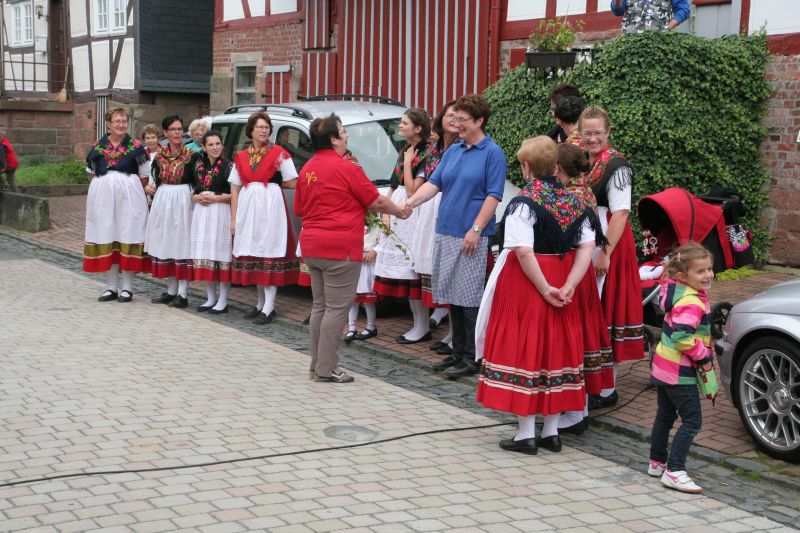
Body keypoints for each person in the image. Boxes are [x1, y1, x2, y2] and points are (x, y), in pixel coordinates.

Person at [475, 136, 603, 454]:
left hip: (530, 282)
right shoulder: (575, 202)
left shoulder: (524, 202)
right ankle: (551, 431)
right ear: (556, 166)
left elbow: (523, 251)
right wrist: (570, 283)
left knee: (526, 348)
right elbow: (588, 246)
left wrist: (545, 288)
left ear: (526, 166)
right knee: (557, 350)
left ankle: (526, 434)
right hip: (564, 277)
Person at [296, 113, 410, 383]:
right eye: (343, 131)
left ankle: (317, 365)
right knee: (336, 309)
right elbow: (375, 201)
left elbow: (299, 208)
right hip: (340, 247)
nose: (346, 135)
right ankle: (326, 369)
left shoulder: (307, 168)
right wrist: (399, 211)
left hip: (312, 245)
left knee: (320, 307)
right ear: (334, 139)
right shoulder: (347, 168)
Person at [405, 94, 507, 380]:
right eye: (455, 118)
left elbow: (494, 196)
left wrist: (476, 229)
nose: (457, 124)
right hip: (446, 231)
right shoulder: (454, 150)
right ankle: (457, 351)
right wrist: (409, 204)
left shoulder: (492, 153)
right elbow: (434, 183)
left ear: (479, 121)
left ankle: (471, 357)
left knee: (469, 297)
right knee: (452, 295)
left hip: (470, 235)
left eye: (463, 120)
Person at [580, 106, 645, 408]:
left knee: (608, 310)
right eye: (587, 133)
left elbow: (620, 214)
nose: (592, 138)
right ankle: (592, 380)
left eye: (598, 133)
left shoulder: (617, 166)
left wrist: (605, 253)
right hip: (589, 239)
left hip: (610, 243)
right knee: (592, 309)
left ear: (608, 132)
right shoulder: (583, 160)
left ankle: (607, 389)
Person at [554, 143, 614, 434]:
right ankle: (577, 408)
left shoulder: (572, 195)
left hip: (575, 271)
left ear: (558, 168)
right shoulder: (583, 189)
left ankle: (578, 411)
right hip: (582, 271)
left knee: (574, 337)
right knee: (580, 335)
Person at [648, 242, 715, 493]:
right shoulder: (692, 302)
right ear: (681, 276)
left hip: (663, 366)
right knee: (692, 421)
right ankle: (674, 470)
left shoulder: (675, 293)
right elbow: (682, 337)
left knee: (665, 415)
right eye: (700, 271)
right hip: (680, 372)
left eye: (709, 269)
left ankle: (657, 462)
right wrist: (704, 356)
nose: (708, 275)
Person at [229, 111, 299, 324]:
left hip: (270, 208)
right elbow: (235, 188)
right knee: (255, 254)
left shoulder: (279, 153)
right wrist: (234, 219)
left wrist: (275, 184)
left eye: (267, 127)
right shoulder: (241, 156)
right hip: (249, 211)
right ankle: (260, 304)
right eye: (259, 126)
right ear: (251, 130)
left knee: (268, 252)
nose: (263, 130)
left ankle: (269, 307)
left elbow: (293, 181)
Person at [373, 108, 431, 345]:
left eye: (405, 123)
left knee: (413, 272)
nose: (400, 126)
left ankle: (423, 325)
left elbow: (412, 190)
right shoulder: (405, 150)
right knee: (406, 277)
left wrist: (408, 163)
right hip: (399, 213)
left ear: (418, 128)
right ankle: (418, 324)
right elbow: (393, 185)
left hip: (413, 212)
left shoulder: (426, 153)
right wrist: (386, 212)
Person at [83, 108, 150, 302]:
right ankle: (111, 287)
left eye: (124, 121)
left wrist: (128, 189)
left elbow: (144, 175)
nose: (121, 125)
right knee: (108, 234)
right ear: (108, 124)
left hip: (130, 198)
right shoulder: (97, 146)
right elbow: (91, 171)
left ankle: (127, 288)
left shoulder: (137, 147)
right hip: (103, 199)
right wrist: (104, 188)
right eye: (117, 121)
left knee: (128, 234)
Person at [413, 102, 458, 353]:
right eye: (449, 115)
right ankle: (445, 329)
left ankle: (453, 334)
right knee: (432, 267)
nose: (453, 120)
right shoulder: (434, 147)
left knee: (451, 273)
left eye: (458, 116)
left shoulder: (462, 146)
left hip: (450, 203)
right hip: (430, 206)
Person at [144, 115, 197, 308]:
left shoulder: (192, 155)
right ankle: (171, 290)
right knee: (167, 240)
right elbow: (154, 179)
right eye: (173, 129)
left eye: (180, 129)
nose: (177, 133)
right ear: (165, 133)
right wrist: (149, 188)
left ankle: (183, 293)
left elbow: (198, 180)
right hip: (164, 198)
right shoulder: (159, 156)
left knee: (182, 242)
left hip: (183, 198)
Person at [189, 130, 235, 314]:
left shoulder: (229, 166)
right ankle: (210, 298)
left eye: (218, 144)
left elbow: (236, 194)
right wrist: (196, 197)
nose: (215, 148)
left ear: (222, 145)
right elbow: (193, 190)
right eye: (211, 144)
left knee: (221, 255)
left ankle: (223, 300)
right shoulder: (198, 165)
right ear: (204, 147)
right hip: (203, 214)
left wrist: (216, 198)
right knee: (207, 254)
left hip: (220, 212)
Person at [344, 222, 381, 342]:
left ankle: (371, 327)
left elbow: (383, 240)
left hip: (368, 263)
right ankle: (352, 328)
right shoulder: (353, 221)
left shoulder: (378, 222)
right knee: (352, 299)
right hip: (354, 262)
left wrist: (374, 251)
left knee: (367, 299)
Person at [611, 0, 690, 33]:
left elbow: (683, 9)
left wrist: (668, 28)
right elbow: (618, 11)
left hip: (660, 41)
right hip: (630, 41)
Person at [140, 124, 161, 207]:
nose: (150, 140)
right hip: (145, 196)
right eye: (147, 138)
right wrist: (145, 187)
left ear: (158, 138)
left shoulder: (166, 153)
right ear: (144, 140)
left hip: (161, 193)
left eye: (153, 137)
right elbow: (137, 174)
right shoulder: (141, 155)